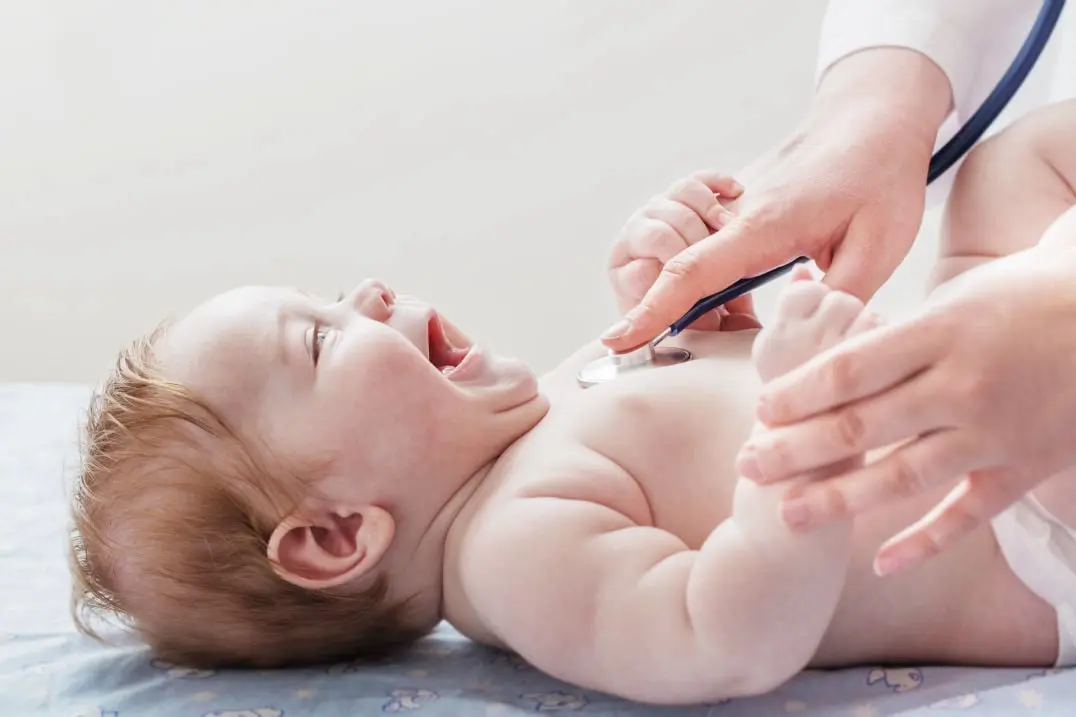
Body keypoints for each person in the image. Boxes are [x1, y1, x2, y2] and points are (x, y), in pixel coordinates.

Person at [69, 137, 1076, 706]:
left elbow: (692, 399)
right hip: (1023, 526)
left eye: (329, 295)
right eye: (321, 341)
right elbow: (718, 639)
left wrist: (707, 306)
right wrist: (788, 463)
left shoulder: (537, 417)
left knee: (1010, 171)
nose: (367, 290)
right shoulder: (518, 551)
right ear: (338, 535)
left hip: (985, 381)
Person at [602, 0, 1075, 574]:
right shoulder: (512, 541)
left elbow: (723, 635)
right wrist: (872, 111)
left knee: (1012, 169)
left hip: (1019, 472)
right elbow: (718, 640)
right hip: (1024, 506)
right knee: (1011, 168)